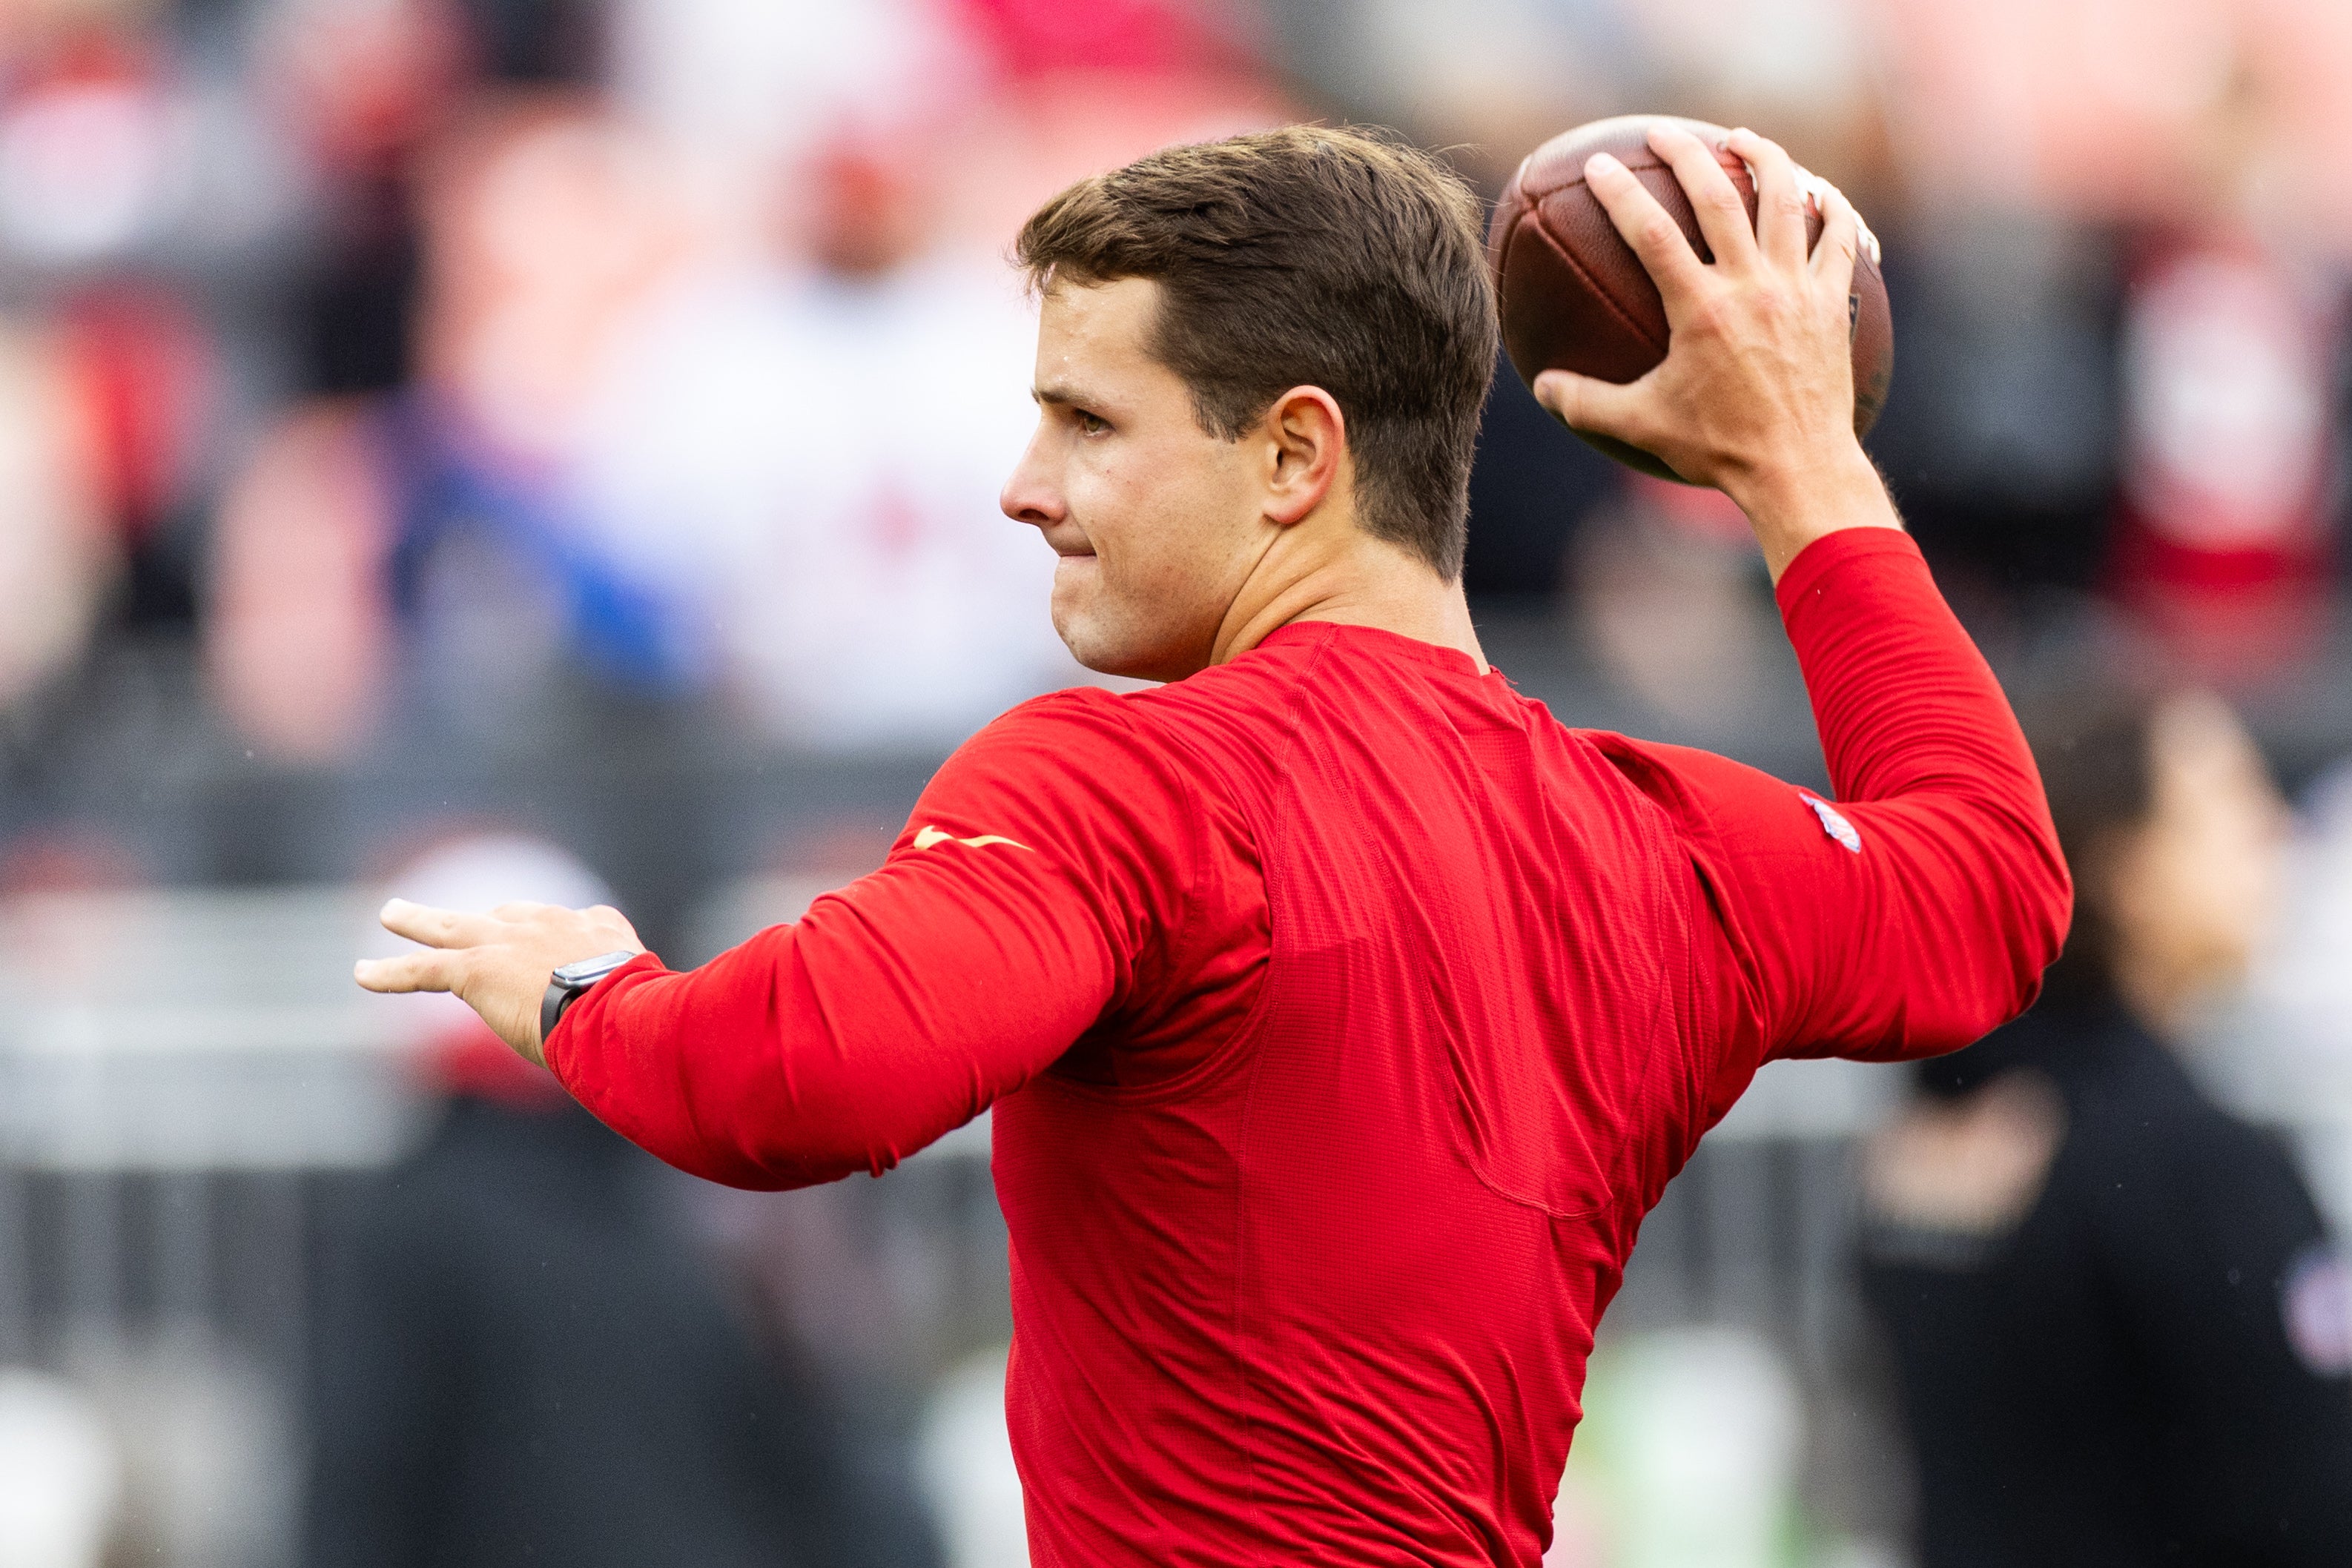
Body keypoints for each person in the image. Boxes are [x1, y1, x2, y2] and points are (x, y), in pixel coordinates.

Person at [355, 125, 2070, 1564]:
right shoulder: (1663, 850)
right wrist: (1803, 469)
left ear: (1293, 456)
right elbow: (1988, 889)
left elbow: (794, 1076)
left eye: (1088, 422)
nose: (1024, 487)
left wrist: (585, 989)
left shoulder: (1133, 785)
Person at [1860, 688, 2352, 1567]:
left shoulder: (1941, 1131)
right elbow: (2310, 1494)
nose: (2277, 830)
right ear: (2126, 871)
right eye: (2232, 801)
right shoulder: (2184, 1160)